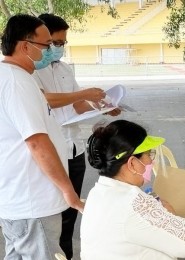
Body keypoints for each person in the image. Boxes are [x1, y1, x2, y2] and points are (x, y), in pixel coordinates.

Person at [32, 13, 121, 259]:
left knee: (70, 217)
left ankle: (67, 256)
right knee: (51, 218)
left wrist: (101, 106)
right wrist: (82, 95)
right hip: (51, 152)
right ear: (44, 40)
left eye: (63, 43)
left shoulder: (64, 69)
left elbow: (76, 106)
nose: (60, 49)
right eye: (56, 44)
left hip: (74, 149)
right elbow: (44, 98)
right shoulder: (31, 71)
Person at [0, 14, 83, 259]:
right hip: (33, 200)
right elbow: (36, 142)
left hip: (20, 200)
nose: (50, 51)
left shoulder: (11, 76)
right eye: (46, 45)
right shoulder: (17, 82)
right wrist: (67, 190)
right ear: (25, 46)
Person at [81, 120, 185, 259]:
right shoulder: (134, 202)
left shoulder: (97, 193)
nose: (152, 161)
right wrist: (171, 215)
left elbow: (140, 231)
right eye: (149, 155)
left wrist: (176, 223)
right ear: (132, 163)